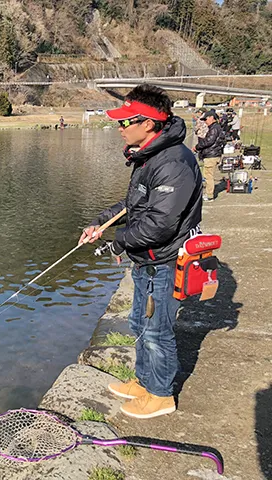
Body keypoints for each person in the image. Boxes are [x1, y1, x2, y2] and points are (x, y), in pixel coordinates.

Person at [79, 84, 203, 419]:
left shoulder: (174, 162)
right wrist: (101, 223)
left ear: (147, 123)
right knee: (138, 322)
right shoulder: (150, 155)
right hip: (147, 260)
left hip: (165, 261)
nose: (119, 128)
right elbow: (133, 204)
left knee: (158, 331)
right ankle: (146, 381)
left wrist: (117, 243)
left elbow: (161, 224)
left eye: (124, 122)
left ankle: (161, 395)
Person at [193, 110, 225, 202]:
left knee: (208, 175)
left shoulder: (214, 128)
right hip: (212, 154)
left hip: (211, 155)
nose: (205, 121)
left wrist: (197, 147)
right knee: (207, 175)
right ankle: (208, 193)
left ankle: (210, 195)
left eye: (206, 119)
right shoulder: (214, 128)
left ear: (211, 118)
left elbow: (209, 141)